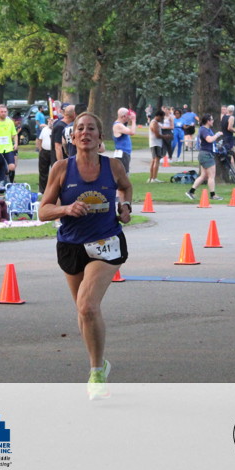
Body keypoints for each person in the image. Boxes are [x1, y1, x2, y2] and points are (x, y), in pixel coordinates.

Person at [38, 112, 132, 400]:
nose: (85, 132)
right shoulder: (61, 169)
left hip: (106, 242)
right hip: (71, 245)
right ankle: (100, 362)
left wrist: (125, 206)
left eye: (91, 128)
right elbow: (43, 211)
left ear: (100, 136)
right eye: (80, 128)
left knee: (88, 306)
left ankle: (96, 373)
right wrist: (66, 209)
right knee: (82, 311)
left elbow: (126, 187)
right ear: (73, 136)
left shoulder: (113, 166)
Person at [186, 113, 224, 201]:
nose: (213, 121)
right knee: (211, 176)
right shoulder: (204, 130)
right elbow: (209, 140)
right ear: (208, 121)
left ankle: (191, 192)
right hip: (206, 155)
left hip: (204, 154)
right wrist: (217, 134)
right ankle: (213, 195)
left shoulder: (206, 129)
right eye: (212, 119)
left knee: (203, 176)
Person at [111, 107, 136, 174]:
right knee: (124, 174)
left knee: (123, 173)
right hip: (122, 153)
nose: (129, 117)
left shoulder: (121, 125)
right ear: (123, 116)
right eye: (128, 116)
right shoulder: (118, 125)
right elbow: (132, 132)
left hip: (124, 153)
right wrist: (133, 120)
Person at [147, 108, 169, 183]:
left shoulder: (154, 123)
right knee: (156, 160)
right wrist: (166, 136)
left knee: (154, 160)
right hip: (155, 143)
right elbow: (157, 135)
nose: (162, 119)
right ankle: (154, 178)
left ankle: (151, 178)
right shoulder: (154, 123)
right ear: (158, 116)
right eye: (162, 118)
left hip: (155, 143)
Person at [36, 117, 53, 193]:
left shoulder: (56, 129)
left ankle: (53, 189)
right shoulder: (44, 129)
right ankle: (42, 190)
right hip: (44, 151)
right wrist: (40, 150)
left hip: (53, 152)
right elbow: (40, 140)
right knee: (43, 171)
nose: (51, 122)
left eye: (53, 120)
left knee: (55, 171)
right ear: (48, 120)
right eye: (50, 120)